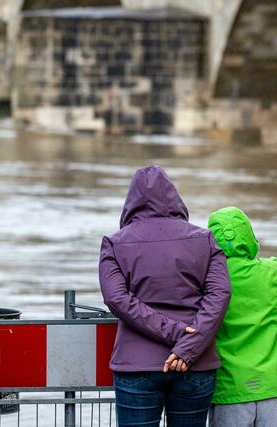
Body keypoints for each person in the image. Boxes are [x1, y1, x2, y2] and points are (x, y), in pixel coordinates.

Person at [99, 165, 231, 427]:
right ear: (174, 197)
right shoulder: (204, 239)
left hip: (137, 365)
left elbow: (116, 298)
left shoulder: (115, 243)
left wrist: (176, 333)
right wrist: (188, 346)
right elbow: (219, 295)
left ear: (131, 201)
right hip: (196, 364)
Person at [207, 207, 277, 427]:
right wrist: (271, 261)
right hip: (270, 387)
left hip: (229, 389)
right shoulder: (270, 273)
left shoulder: (207, 277)